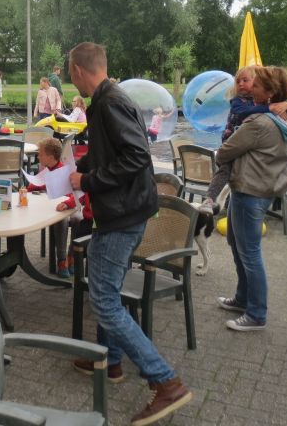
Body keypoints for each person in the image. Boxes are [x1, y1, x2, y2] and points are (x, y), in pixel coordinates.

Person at [67, 42, 191, 426]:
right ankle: (110, 361)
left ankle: (165, 381)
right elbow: (116, 150)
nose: (70, 78)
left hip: (122, 215)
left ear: (78, 70)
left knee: (104, 300)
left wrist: (89, 181)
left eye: (70, 72)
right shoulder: (111, 98)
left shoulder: (109, 102)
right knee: (110, 289)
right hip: (128, 211)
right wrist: (81, 165)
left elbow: (137, 156)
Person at [215, 66, 287, 332]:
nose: (251, 88)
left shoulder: (258, 123)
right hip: (262, 188)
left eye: (257, 85)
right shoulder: (285, 118)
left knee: (250, 253)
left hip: (249, 191)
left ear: (270, 92)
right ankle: (243, 298)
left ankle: (256, 314)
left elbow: (224, 152)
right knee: (237, 244)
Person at [198, 66, 287, 217]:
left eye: (246, 80)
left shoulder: (260, 103)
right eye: (238, 81)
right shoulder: (238, 101)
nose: (241, 84)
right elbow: (243, 112)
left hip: (250, 146)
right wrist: (270, 108)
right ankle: (209, 200)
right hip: (232, 140)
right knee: (224, 169)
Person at [26, 138, 72, 278]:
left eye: (40, 154)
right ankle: (65, 259)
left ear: (50, 157)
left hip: (68, 207)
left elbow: (72, 194)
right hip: (53, 206)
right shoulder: (47, 169)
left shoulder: (63, 171)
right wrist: (29, 188)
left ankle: (64, 259)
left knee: (64, 220)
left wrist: (67, 203)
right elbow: (36, 184)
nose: (38, 157)